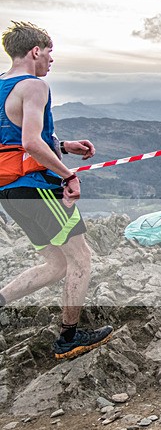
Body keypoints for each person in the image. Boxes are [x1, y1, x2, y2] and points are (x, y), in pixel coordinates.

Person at [0, 21, 112, 359]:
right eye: (50, 52)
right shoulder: (33, 86)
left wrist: (62, 145)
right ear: (35, 51)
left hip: (10, 190)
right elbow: (31, 142)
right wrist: (67, 175)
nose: (51, 60)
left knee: (55, 263)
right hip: (36, 188)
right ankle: (69, 338)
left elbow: (11, 140)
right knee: (81, 258)